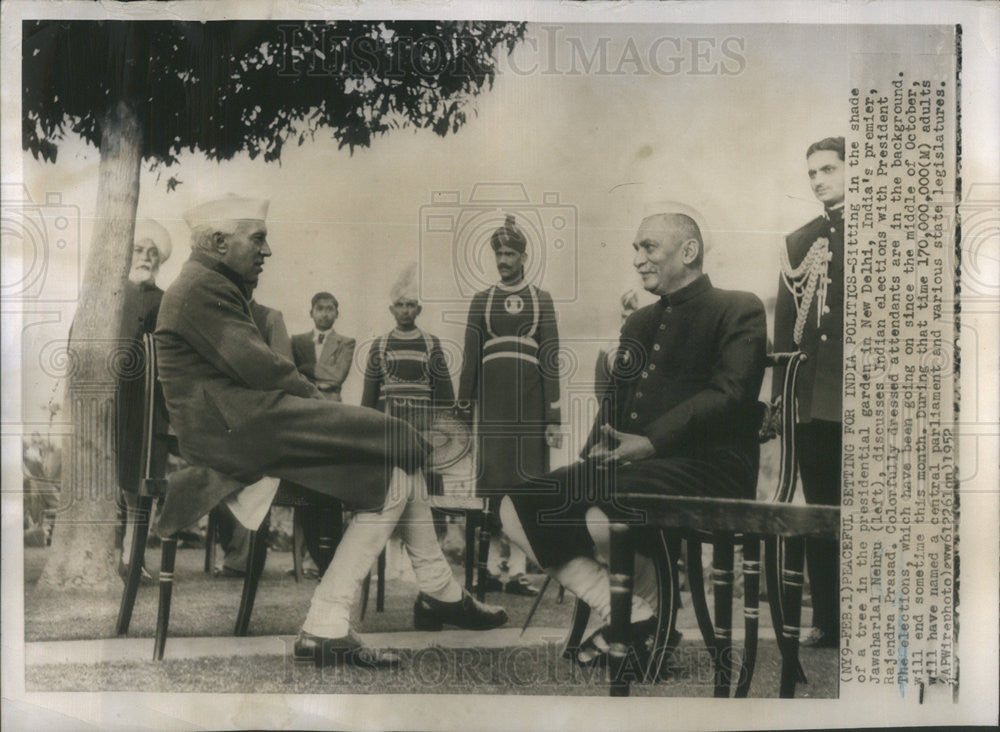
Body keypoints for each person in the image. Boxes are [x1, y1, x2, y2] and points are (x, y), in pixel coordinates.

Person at [154, 195, 508, 669]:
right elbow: (261, 367)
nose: (267, 250)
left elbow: (255, 369)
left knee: (398, 468)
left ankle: (423, 595)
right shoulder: (201, 287)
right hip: (241, 429)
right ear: (219, 242)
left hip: (244, 422)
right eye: (258, 239)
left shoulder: (207, 282)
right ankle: (341, 618)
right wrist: (317, 401)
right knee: (398, 444)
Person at [497, 210, 767, 666]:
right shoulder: (639, 322)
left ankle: (642, 625)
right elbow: (617, 406)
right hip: (639, 468)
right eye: (635, 250)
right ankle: (632, 615)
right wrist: (591, 455)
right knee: (517, 506)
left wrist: (652, 441)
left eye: (649, 248)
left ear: (689, 251)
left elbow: (732, 394)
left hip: (713, 467)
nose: (638, 260)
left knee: (606, 508)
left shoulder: (739, 306)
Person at [773, 136, 845, 649]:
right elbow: (785, 335)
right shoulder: (800, 242)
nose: (818, 179)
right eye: (812, 173)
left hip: (867, 398)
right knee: (821, 510)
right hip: (814, 403)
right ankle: (828, 619)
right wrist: (782, 401)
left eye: (828, 169)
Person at [362, 262, 456, 582]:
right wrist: (370, 439)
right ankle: (389, 563)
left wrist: (440, 437)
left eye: (411, 305)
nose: (405, 310)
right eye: (399, 305)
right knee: (390, 493)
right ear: (391, 308)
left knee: (423, 496)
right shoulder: (380, 345)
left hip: (423, 433)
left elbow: (445, 399)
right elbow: (368, 400)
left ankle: (422, 566)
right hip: (390, 431)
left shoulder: (432, 344)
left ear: (419, 308)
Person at [212, 280, 294, 579]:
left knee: (255, 485)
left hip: (260, 420)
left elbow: (284, 372)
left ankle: (245, 561)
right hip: (223, 419)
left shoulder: (270, 318)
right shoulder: (217, 319)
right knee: (216, 480)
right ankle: (234, 555)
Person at [117, 219, 172, 581]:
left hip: (147, 402)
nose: (146, 258)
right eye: (140, 250)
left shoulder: (163, 300)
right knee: (109, 475)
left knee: (141, 478)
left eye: (153, 253)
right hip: (111, 397)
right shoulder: (109, 291)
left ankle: (131, 556)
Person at [291, 293, 355, 401]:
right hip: (302, 400)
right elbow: (291, 372)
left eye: (330, 309)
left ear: (337, 314)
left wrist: (304, 368)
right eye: (319, 309)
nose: (324, 314)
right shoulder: (297, 341)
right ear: (311, 313)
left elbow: (338, 376)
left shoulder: (346, 343)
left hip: (330, 402)